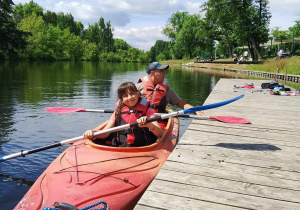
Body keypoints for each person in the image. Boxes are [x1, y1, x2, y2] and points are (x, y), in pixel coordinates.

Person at [83, 82, 164, 147]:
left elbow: (160, 133)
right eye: (125, 96)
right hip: (121, 148)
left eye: (132, 94)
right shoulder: (118, 112)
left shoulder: (147, 110)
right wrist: (93, 132)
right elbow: (105, 133)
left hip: (142, 148)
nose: (129, 98)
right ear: (121, 99)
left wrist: (150, 125)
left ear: (138, 94)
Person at [136, 61, 205, 129]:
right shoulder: (138, 88)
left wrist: (196, 111)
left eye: (164, 71)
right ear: (153, 73)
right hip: (141, 122)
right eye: (161, 71)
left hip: (159, 124)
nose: (164, 74)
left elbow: (181, 103)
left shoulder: (167, 90)